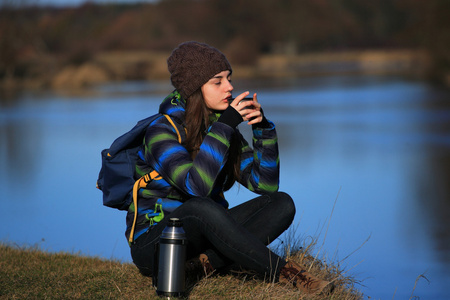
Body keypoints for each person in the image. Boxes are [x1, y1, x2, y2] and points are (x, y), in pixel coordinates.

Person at [127, 41, 331, 294]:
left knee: (281, 203)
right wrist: (225, 126)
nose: (230, 87)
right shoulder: (161, 131)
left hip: (202, 235)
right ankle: (288, 274)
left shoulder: (221, 128)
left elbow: (265, 185)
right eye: (218, 81)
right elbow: (196, 188)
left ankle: (206, 265)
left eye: (229, 78)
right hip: (157, 244)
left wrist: (262, 130)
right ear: (195, 89)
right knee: (200, 207)